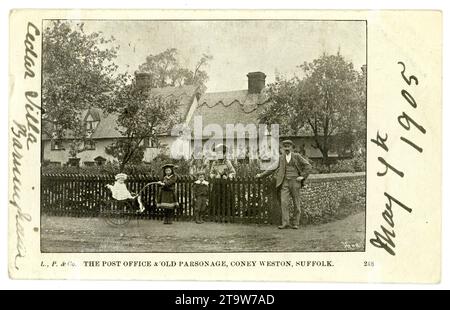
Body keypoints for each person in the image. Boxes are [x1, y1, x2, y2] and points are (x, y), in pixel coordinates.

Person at [256, 140, 312, 229]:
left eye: (288, 146)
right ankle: (285, 223)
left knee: (296, 203)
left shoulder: (297, 156)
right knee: (284, 202)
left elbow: (308, 166)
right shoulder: (281, 158)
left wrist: (302, 176)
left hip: (295, 182)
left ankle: (296, 223)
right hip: (284, 182)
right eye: (285, 146)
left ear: (292, 147)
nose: (286, 148)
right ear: (282, 148)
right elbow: (272, 168)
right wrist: (261, 175)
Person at [209, 144, 236, 222]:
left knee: (226, 200)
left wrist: (228, 176)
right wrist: (214, 176)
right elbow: (211, 173)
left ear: (224, 154)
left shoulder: (227, 162)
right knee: (216, 200)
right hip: (216, 185)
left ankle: (226, 217)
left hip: (225, 185)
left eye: (220, 153)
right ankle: (217, 216)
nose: (219, 155)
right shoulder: (214, 163)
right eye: (217, 153)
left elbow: (233, 172)